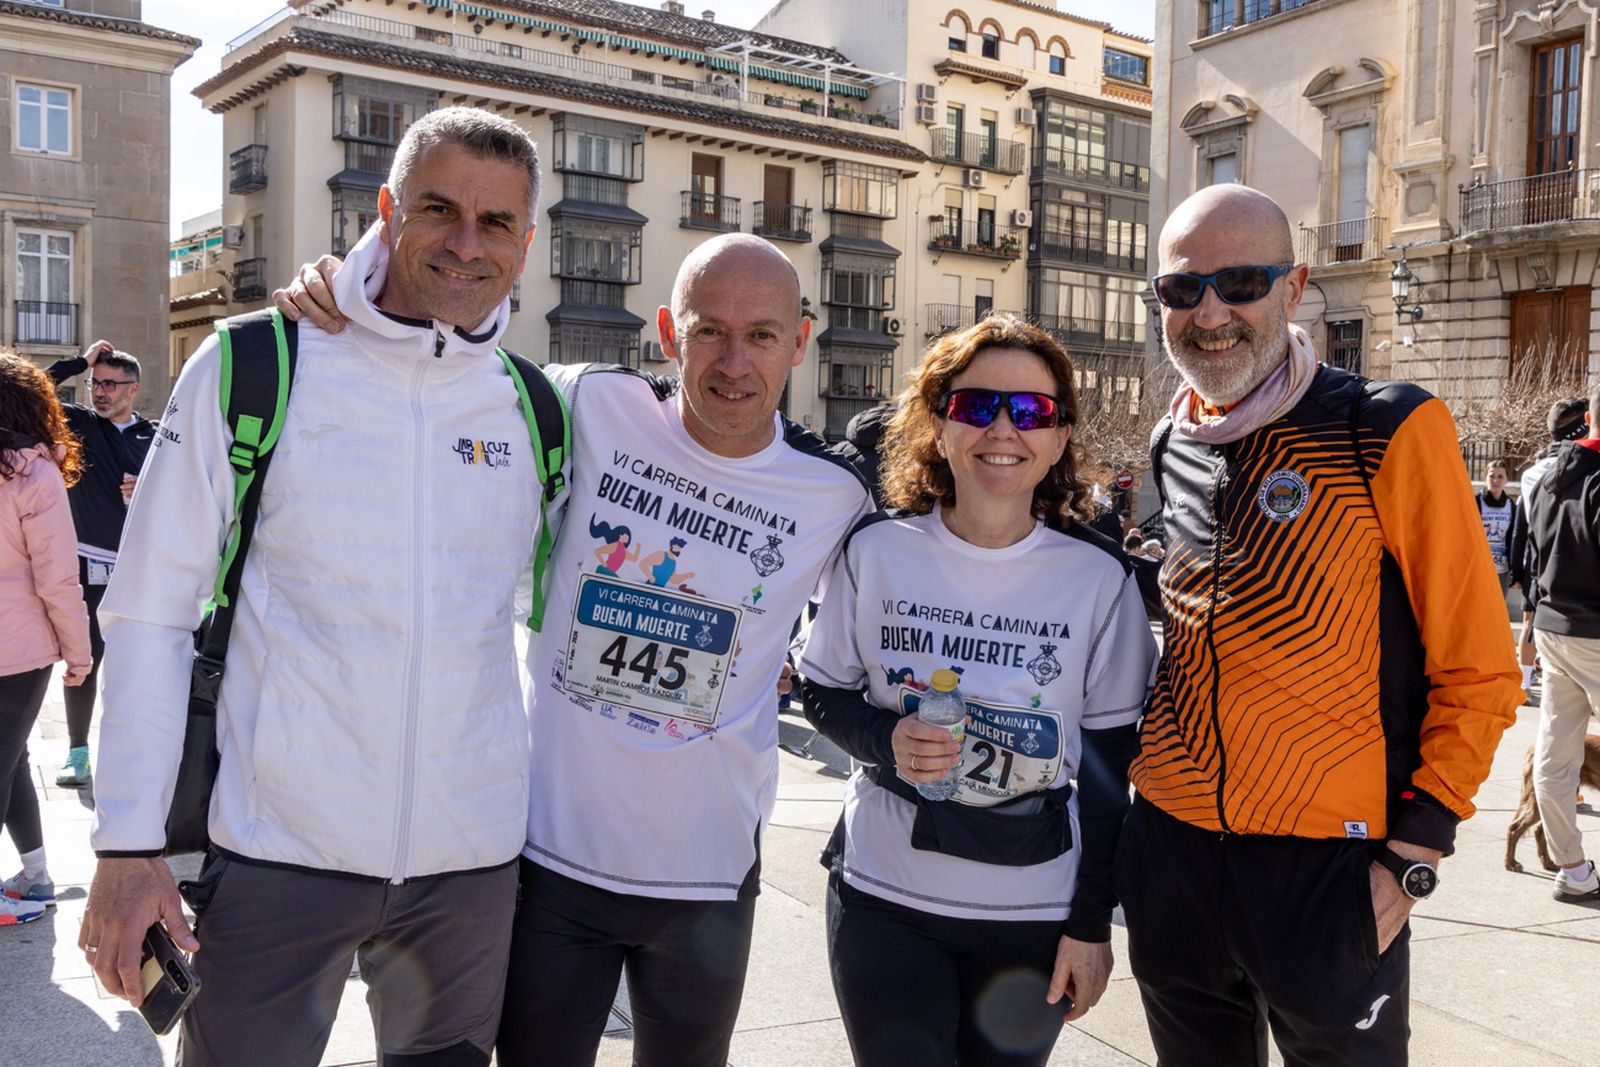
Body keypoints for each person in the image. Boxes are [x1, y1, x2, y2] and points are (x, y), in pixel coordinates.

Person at [81, 107, 559, 1067]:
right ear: (385, 210)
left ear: (528, 241)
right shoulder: (255, 364)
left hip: (469, 869)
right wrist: (126, 845)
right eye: (438, 208)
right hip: (277, 857)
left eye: (497, 221)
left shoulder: (536, 405)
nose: (467, 244)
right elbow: (148, 613)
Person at [1123, 184, 1522, 1065]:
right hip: (1170, 854)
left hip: (1329, 868)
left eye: (1241, 282)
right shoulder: (1173, 439)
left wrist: (1417, 847)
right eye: (1183, 289)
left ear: (1295, 287)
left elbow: (1481, 667)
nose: (1210, 314)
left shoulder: (1381, 425)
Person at [793, 317, 1157, 1065]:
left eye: (1030, 411)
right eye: (975, 405)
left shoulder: (1100, 579)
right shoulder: (877, 550)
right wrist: (886, 738)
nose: (1002, 429)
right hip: (886, 901)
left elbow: (1110, 774)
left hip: (1033, 914)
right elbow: (822, 690)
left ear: (1058, 437)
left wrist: (1091, 924)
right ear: (938, 422)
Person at [0, 353, 92, 925]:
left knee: (13, 757)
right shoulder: (33, 474)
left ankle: (35, 877)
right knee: (5, 757)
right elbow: (57, 578)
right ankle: (33, 880)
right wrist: (79, 654)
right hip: (17, 648)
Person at [43, 341, 154, 788]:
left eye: (110, 384)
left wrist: (146, 490)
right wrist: (79, 362)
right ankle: (77, 752)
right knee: (83, 661)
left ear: (133, 389)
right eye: (95, 383)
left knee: (135, 667)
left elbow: (188, 493)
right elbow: (27, 390)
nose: (100, 392)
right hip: (85, 566)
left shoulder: (157, 437)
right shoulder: (79, 423)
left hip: (139, 571)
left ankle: (130, 753)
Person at [1523, 380, 1600, 902]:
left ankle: (1572, 869)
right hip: (1594, 630)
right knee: (1556, 754)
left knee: (1556, 752)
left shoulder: (1548, 476)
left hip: (1555, 626)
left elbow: (1534, 551)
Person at [1510, 396, 1589, 700]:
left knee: (1558, 713)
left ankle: (1527, 679)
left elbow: (1526, 530)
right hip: (1581, 589)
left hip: (1543, 578)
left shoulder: (1532, 475)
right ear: (1585, 425)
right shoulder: (1586, 471)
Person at [1477, 459, 1517, 604]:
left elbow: (1514, 537)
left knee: (1498, 607)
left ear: (1507, 480)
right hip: (1479, 568)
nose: (1495, 480)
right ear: (1485, 477)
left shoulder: (1510, 505)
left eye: (1500, 476)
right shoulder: (1475, 502)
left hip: (1502, 569)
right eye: (1491, 476)